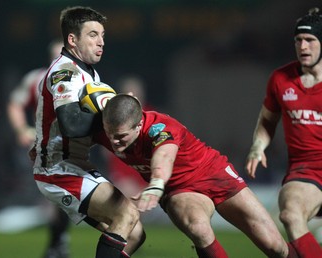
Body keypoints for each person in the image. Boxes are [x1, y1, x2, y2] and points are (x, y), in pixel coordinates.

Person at [97, 93, 297, 258]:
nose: (114, 142)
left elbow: (164, 156)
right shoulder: (107, 131)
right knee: (198, 228)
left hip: (214, 173)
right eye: (110, 134)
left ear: (139, 125)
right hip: (179, 189)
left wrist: (156, 183)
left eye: (121, 137)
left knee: (275, 246)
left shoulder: (161, 128)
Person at [31, 6, 145, 258]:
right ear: (72, 39)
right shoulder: (66, 72)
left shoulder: (87, 72)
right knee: (126, 215)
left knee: (134, 233)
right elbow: (72, 125)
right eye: (93, 34)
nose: (101, 41)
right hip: (58, 170)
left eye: (102, 35)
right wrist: (111, 116)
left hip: (75, 166)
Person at [245, 7, 322, 258]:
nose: (304, 46)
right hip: (306, 169)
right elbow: (268, 120)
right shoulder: (281, 78)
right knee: (289, 214)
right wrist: (258, 147)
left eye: (310, 40)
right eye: (298, 41)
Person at [7, 40, 70, 258]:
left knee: (65, 196)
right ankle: (57, 244)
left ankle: (58, 243)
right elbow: (15, 103)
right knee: (55, 195)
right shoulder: (36, 79)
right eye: (55, 55)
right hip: (46, 146)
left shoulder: (81, 77)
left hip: (74, 146)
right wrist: (20, 129)